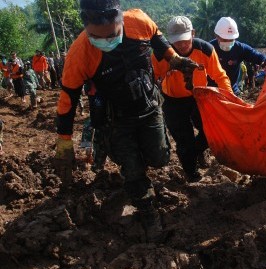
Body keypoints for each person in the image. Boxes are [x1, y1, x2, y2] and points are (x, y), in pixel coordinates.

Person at [54, 0, 198, 241]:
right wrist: (64, 141)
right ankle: (146, 209)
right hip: (115, 119)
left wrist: (175, 60)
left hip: (149, 107)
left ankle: (139, 163)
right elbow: (67, 100)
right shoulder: (79, 53)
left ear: (122, 20)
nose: (107, 42)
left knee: (160, 158)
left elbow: (157, 39)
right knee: (132, 170)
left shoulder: (139, 21)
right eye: (96, 37)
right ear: (86, 27)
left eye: (112, 35)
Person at [151, 15, 233, 182]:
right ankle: (192, 174)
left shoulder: (206, 50)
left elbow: (220, 75)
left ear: (193, 34)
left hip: (199, 97)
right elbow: (151, 78)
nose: (181, 45)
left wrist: (229, 98)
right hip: (173, 100)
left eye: (185, 40)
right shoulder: (161, 55)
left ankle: (196, 151)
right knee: (183, 141)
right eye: (176, 41)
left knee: (211, 131)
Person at [208, 17, 266, 95]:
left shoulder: (240, 49)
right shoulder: (208, 48)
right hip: (212, 91)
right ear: (217, 36)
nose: (228, 42)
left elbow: (259, 57)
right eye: (225, 40)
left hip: (232, 90)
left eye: (231, 39)